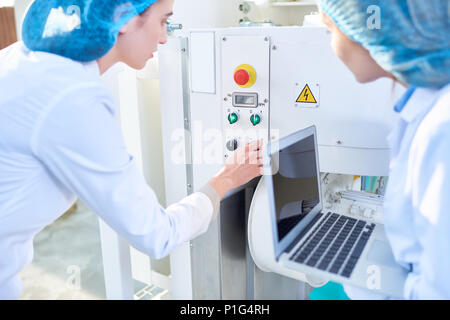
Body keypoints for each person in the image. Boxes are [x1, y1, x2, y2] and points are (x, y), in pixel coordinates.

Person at [0, 0, 263, 299]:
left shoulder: (24, 58)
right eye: (163, 21)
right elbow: (157, 235)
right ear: (123, 17)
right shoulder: (72, 99)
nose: (165, 38)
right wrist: (227, 178)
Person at [317, 0, 450, 299]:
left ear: (366, 30)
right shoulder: (426, 108)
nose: (333, 45)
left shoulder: (442, 130)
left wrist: (367, 287)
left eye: (331, 30)